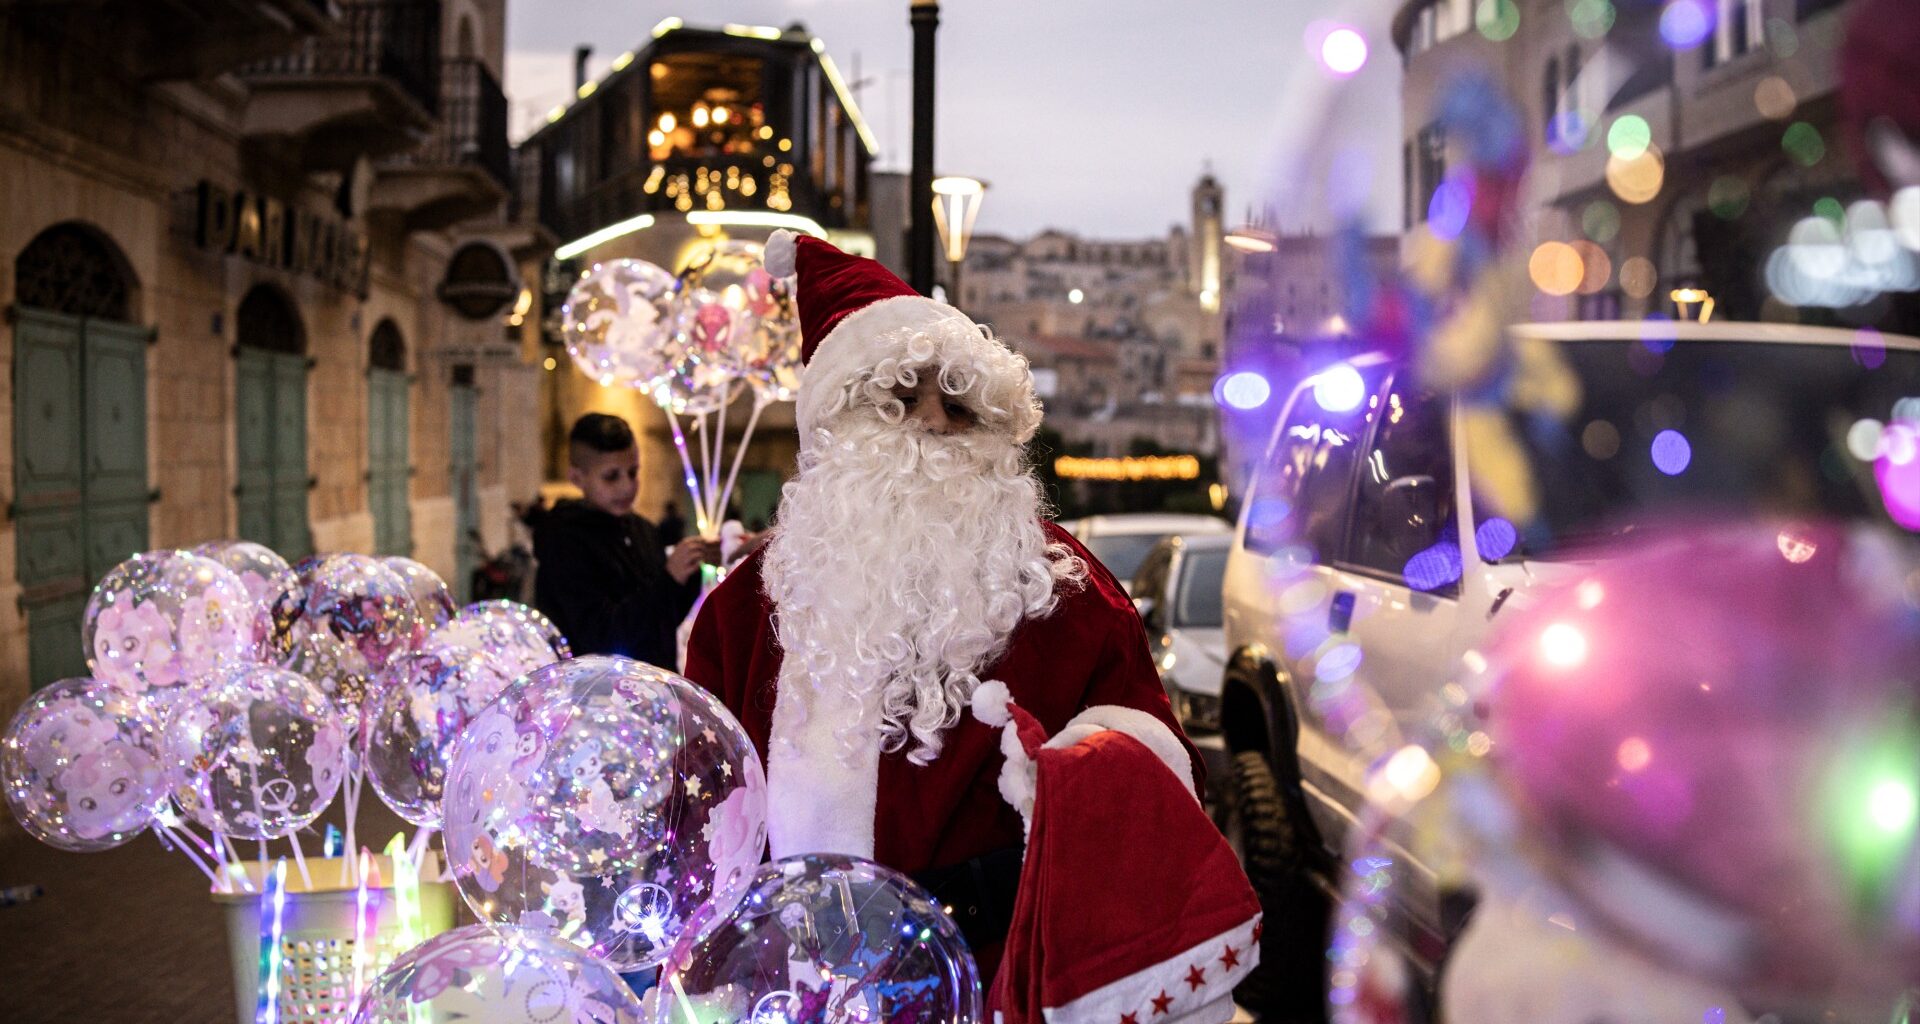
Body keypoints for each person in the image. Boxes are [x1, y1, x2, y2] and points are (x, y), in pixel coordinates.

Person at [683, 232, 1226, 990]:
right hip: (804, 989)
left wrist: (1061, 798)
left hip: (1015, 975)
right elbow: (702, 818)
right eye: (900, 401)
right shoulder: (742, 613)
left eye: (959, 404)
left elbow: (1159, 769)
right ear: (833, 430)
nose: (936, 424)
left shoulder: (1067, 588)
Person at [532, 413, 716, 668]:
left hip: (656, 689)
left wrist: (691, 570)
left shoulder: (643, 530)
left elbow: (661, 620)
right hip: (597, 698)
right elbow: (603, 636)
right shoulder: (564, 542)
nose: (627, 486)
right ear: (577, 477)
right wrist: (669, 579)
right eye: (611, 476)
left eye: (633, 472)